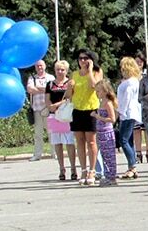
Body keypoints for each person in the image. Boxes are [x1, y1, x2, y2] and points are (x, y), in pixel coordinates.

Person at [65, 49, 102, 187]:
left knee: (91, 141)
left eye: (86, 58)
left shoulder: (97, 72)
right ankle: (83, 170)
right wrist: (69, 87)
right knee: (79, 141)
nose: (83, 61)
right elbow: (68, 95)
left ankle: (92, 170)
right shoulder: (74, 74)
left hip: (91, 109)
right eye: (80, 58)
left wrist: (90, 70)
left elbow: (94, 86)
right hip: (77, 110)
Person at [45, 60, 77, 181]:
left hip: (67, 115)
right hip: (54, 116)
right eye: (58, 69)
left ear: (66, 71)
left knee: (69, 142)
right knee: (57, 142)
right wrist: (50, 106)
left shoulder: (70, 83)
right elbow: (47, 99)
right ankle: (61, 168)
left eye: (62, 69)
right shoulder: (50, 84)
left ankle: (73, 168)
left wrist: (58, 104)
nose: (60, 72)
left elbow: (70, 98)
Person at [116, 57, 141, 179]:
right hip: (131, 112)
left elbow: (126, 99)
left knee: (124, 140)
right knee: (129, 140)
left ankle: (132, 165)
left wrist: (120, 111)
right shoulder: (134, 80)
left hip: (127, 113)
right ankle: (131, 166)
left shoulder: (129, 83)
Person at [92, 80, 119, 186]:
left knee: (109, 156)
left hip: (107, 132)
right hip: (100, 132)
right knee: (103, 155)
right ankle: (107, 175)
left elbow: (112, 119)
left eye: (98, 91)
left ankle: (111, 176)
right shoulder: (101, 102)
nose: (97, 93)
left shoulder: (107, 103)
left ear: (104, 91)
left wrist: (98, 117)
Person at [26, 60, 52, 162]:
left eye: (41, 65)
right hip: (36, 109)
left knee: (51, 132)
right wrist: (45, 89)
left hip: (48, 109)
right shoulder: (32, 78)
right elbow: (29, 89)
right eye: (37, 66)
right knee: (38, 134)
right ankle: (37, 155)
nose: (39, 67)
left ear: (45, 66)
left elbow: (52, 89)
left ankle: (54, 153)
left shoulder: (50, 78)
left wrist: (37, 88)